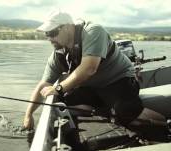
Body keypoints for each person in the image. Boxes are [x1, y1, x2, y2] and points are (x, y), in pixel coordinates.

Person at [22, 9, 169, 131]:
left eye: (52, 33)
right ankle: (103, 111)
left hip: (119, 80)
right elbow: (43, 85)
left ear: (67, 27)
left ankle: (165, 125)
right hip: (93, 88)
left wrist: (59, 88)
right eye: (46, 34)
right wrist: (28, 115)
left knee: (124, 112)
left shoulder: (93, 31)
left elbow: (89, 68)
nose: (49, 38)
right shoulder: (58, 55)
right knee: (61, 102)